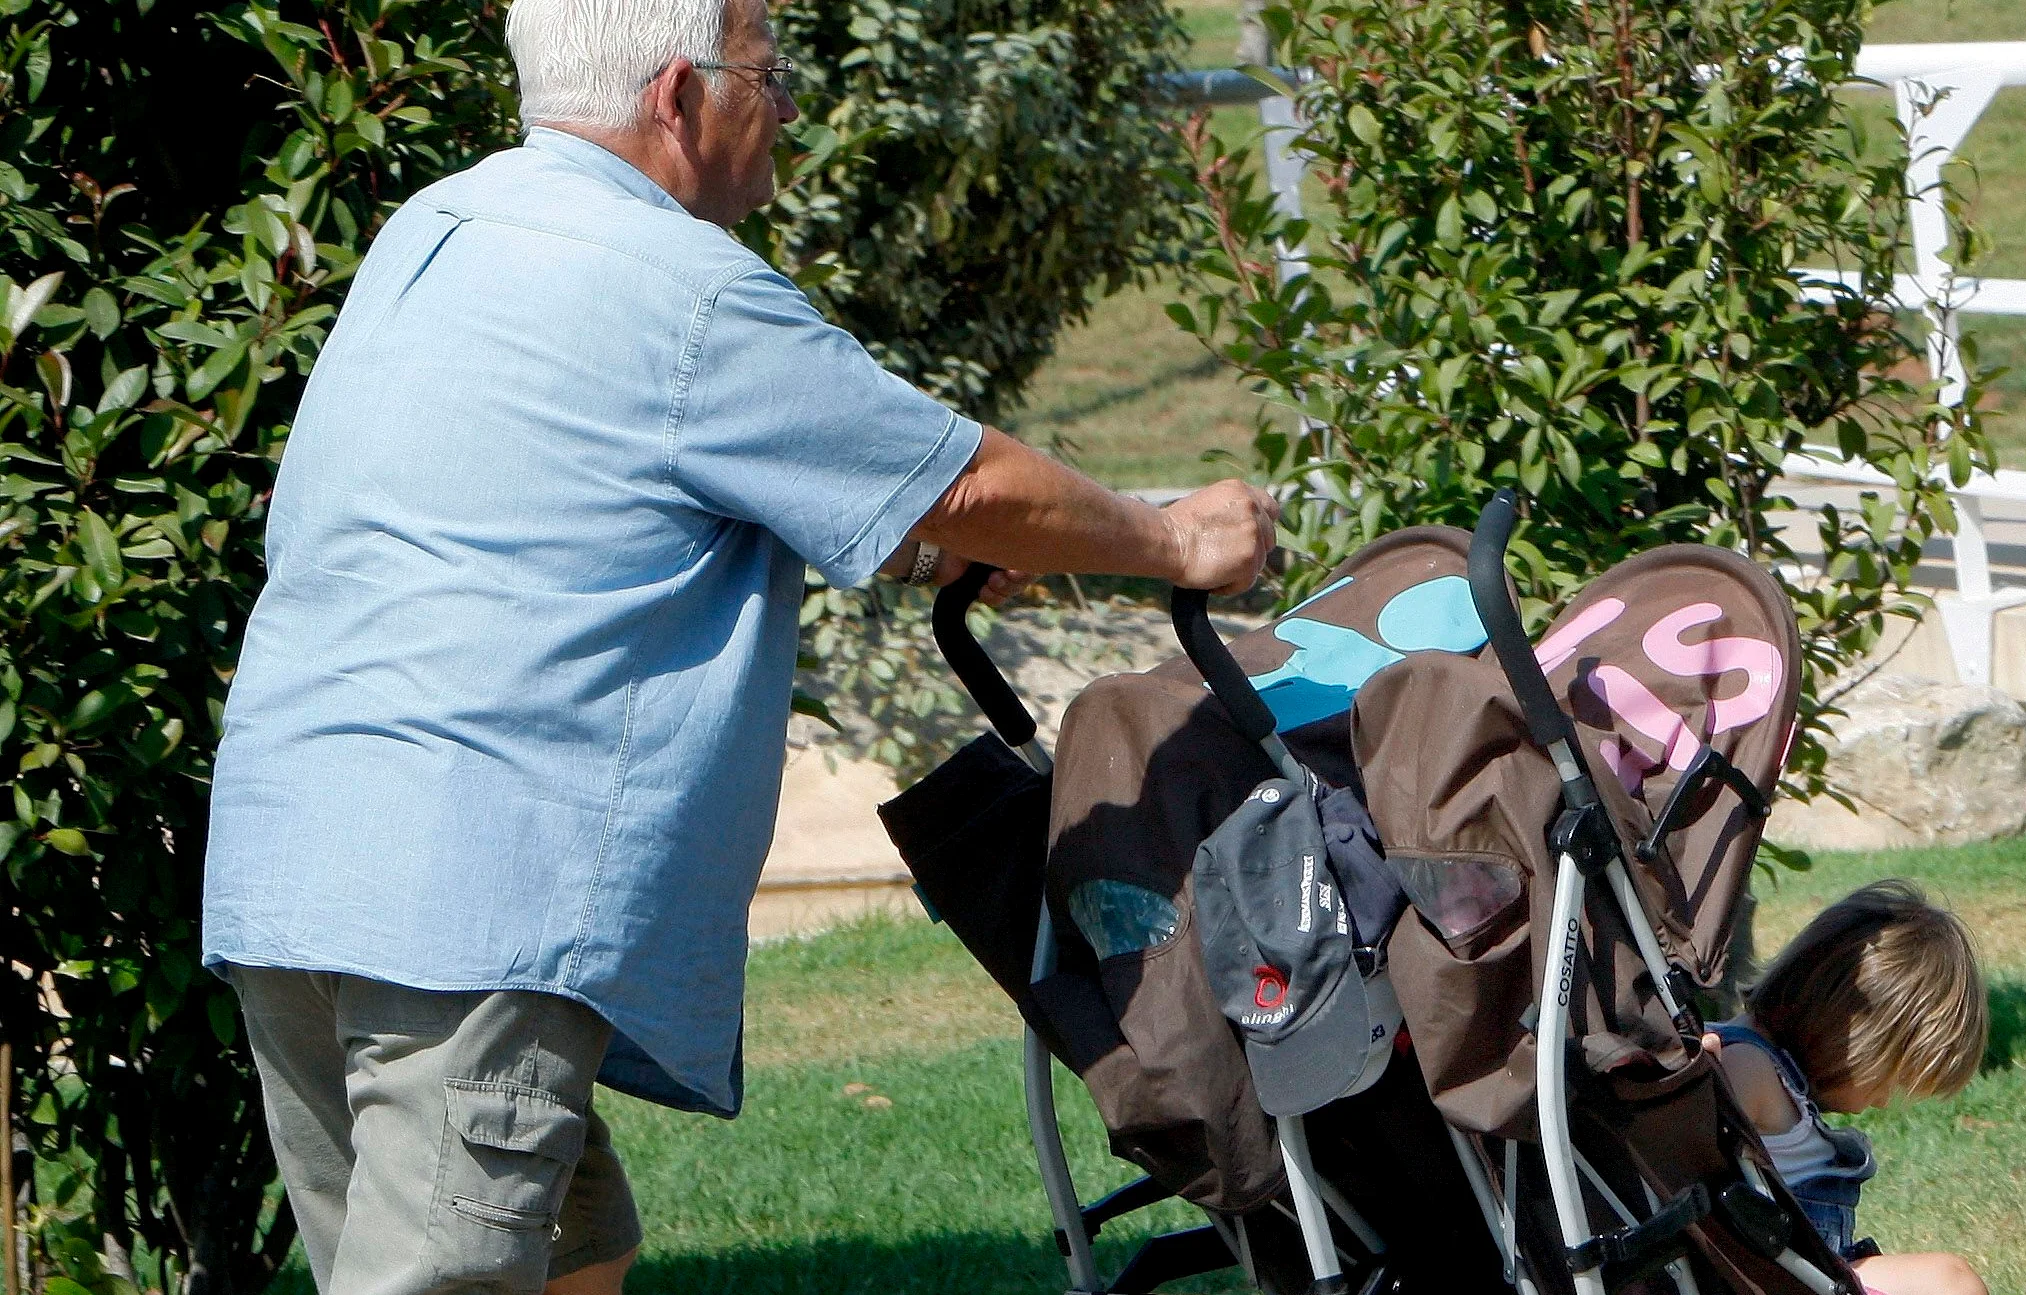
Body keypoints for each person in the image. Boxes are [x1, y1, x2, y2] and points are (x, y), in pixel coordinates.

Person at [196, 0, 1279, 1291]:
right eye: (767, 76)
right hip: (469, 899)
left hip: (296, 870)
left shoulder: (437, 229)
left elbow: (631, 483)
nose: (785, 107)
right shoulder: (684, 292)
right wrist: (1173, 540)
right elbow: (966, 484)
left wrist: (943, 549)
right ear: (676, 95)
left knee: (571, 1251)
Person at [1711, 879, 1991, 1295]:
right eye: (1891, 1081)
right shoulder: (1746, 1066)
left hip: (1805, 1272)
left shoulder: (1762, 1070)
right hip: (1778, 1280)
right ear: (1857, 1038)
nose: (1881, 1101)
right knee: (1951, 1282)